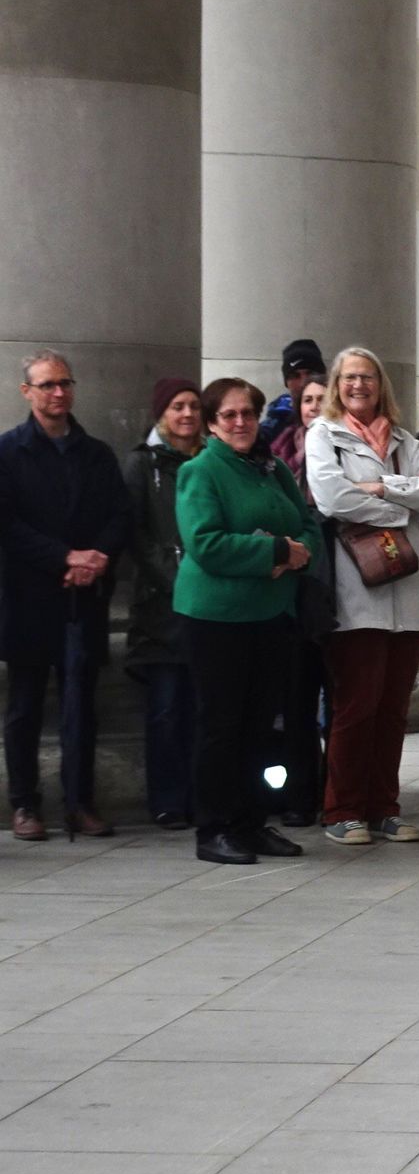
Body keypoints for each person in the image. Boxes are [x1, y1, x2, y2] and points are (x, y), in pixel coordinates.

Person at [174, 378, 321, 864]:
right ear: (213, 424)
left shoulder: (272, 468)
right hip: (217, 618)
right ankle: (213, 828)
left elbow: (307, 526)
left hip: (270, 614)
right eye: (229, 415)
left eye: (248, 414)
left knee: (260, 726)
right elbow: (206, 543)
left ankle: (252, 822)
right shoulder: (201, 471)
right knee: (222, 725)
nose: (240, 423)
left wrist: (296, 552)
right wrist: (276, 551)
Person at [305, 346, 419, 844]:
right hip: (357, 590)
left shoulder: (405, 440)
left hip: (408, 591)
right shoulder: (324, 435)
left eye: (367, 377)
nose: (358, 385)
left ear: (379, 384)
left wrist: (383, 488)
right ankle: (342, 811)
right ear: (337, 385)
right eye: (349, 378)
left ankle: (384, 807)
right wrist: (399, 511)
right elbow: (331, 497)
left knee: (393, 708)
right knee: (356, 704)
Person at [0, 351, 129, 840]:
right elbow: (8, 525)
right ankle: (25, 805)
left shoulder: (95, 453)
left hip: (84, 600)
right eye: (48, 385)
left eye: (65, 384)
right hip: (31, 595)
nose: (59, 393)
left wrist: (97, 556)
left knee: (81, 705)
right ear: (27, 391)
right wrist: (64, 557)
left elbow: (119, 514)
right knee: (25, 707)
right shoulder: (8, 452)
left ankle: (79, 802)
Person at [123, 376, 204, 828]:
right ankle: (168, 799)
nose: (187, 414)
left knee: (203, 709)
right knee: (167, 709)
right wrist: (176, 579)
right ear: (162, 414)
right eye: (178, 406)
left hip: (210, 607)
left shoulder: (212, 459)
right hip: (162, 611)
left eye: (193, 405)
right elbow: (136, 534)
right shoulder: (142, 465)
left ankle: (199, 794)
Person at [270, 375, 328, 826]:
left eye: (320, 400)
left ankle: (336, 789)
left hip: (337, 589)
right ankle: (299, 794)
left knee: (340, 702)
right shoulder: (276, 457)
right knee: (297, 702)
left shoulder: (342, 449)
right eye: (306, 400)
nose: (312, 406)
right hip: (294, 594)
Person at [258, 338, 325, 448]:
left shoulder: (345, 420)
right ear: (286, 382)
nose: (303, 382)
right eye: (295, 376)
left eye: (310, 373)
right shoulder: (273, 427)